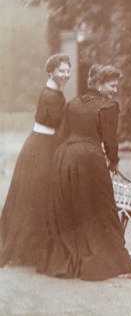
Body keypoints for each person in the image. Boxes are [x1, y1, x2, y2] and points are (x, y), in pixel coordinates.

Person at [37, 64, 131, 280]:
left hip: (64, 157)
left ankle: (67, 258)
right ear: (99, 84)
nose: (115, 90)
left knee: (70, 208)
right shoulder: (108, 106)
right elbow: (110, 141)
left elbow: (63, 133)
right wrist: (114, 161)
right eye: (112, 85)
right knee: (99, 207)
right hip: (89, 159)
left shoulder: (73, 103)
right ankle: (99, 257)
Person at [0, 53, 71, 268]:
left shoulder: (54, 91)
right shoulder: (51, 94)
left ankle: (32, 249)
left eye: (68, 70)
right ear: (51, 72)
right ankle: (29, 251)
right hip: (41, 147)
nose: (66, 74)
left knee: (35, 197)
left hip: (42, 144)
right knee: (34, 198)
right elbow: (59, 124)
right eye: (62, 71)